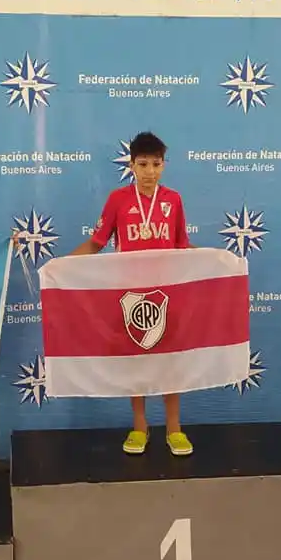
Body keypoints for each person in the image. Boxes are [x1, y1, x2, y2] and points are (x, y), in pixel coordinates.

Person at [68, 131, 194, 456]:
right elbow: (97, 242)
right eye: (143, 164)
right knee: (135, 360)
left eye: (156, 163)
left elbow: (183, 246)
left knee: (170, 362)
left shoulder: (174, 200)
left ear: (164, 165)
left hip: (167, 294)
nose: (150, 171)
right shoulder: (117, 200)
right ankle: (140, 426)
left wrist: (219, 262)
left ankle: (174, 428)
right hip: (131, 295)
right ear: (132, 165)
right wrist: (62, 265)